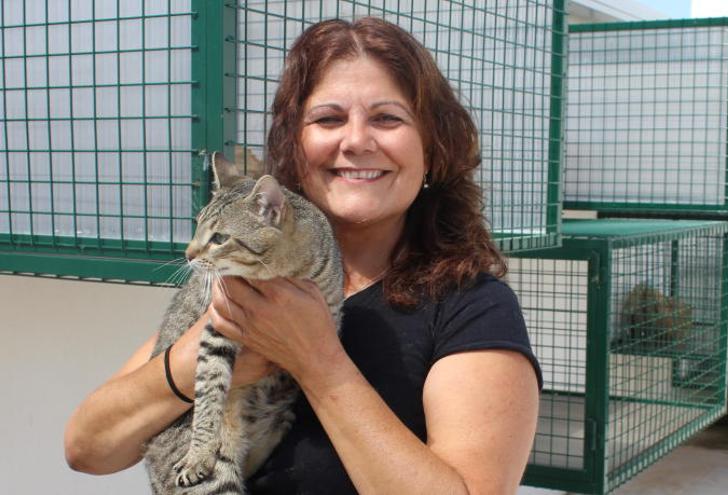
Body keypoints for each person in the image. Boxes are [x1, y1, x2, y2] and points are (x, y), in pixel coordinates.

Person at [64, 17, 542, 494]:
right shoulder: (249, 266)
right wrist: (206, 358)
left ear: (433, 148)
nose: (356, 141)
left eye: (387, 118)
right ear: (294, 146)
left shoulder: (473, 308)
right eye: (328, 119)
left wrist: (317, 360)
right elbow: (87, 448)